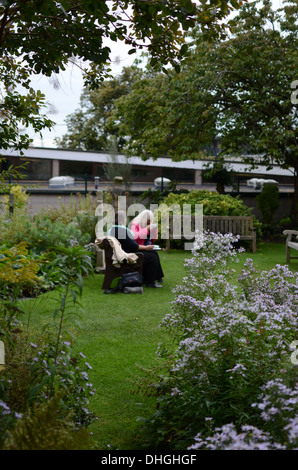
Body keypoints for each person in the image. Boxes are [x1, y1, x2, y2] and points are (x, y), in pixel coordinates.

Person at [108, 210, 164, 288]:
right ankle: (150, 282)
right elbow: (134, 246)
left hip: (123, 253)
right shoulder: (121, 231)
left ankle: (151, 279)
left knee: (152, 253)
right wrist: (146, 247)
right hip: (126, 256)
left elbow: (131, 244)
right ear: (123, 220)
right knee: (152, 256)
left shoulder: (114, 230)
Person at [130, 210, 164, 286]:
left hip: (146, 247)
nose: (149, 222)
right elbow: (134, 237)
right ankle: (151, 280)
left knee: (154, 254)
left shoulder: (150, 225)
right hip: (138, 248)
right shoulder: (135, 224)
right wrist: (146, 229)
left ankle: (157, 277)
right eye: (148, 220)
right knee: (153, 256)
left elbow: (153, 239)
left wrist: (154, 231)